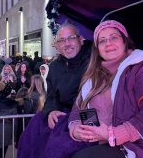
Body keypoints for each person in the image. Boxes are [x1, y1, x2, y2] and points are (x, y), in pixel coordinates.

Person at [69, 20, 143, 158]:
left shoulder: (142, 67)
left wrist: (113, 134)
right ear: (97, 48)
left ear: (125, 41)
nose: (108, 43)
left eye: (114, 37)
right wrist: (76, 129)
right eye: (102, 41)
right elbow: (78, 108)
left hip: (138, 147)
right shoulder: (93, 77)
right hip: (100, 143)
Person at [17, 21, 92, 158]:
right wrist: (51, 111)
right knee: (31, 132)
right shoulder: (55, 67)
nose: (67, 43)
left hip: (87, 114)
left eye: (71, 38)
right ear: (57, 45)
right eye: (62, 40)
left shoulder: (94, 60)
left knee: (58, 148)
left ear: (81, 40)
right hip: (62, 113)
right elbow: (52, 96)